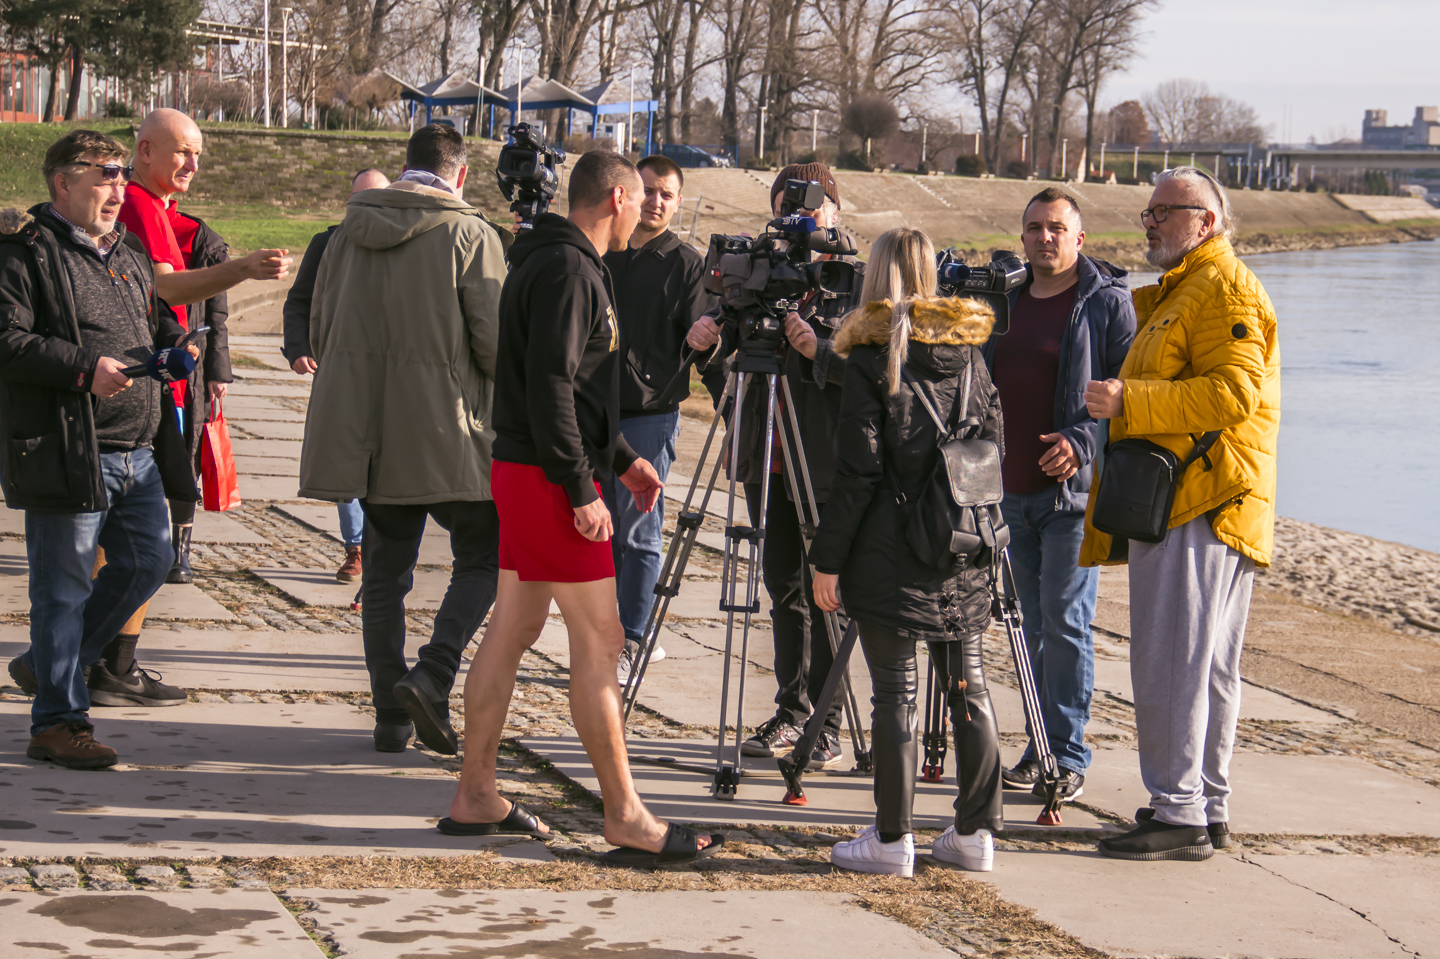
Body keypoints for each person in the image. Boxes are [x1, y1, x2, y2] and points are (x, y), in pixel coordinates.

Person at [445, 150, 723, 867]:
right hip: (546, 478)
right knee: (600, 644)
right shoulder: (570, 267)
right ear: (621, 197)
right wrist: (579, 489)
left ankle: (476, 792)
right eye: (642, 199)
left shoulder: (552, 258)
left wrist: (623, 456)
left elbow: (578, 385)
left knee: (512, 625)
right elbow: (551, 388)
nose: (646, 212)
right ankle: (627, 814)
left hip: (527, 468)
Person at [1083, 166, 1280, 862]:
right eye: (1150, 210)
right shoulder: (1187, 289)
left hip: (1199, 502)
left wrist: (1127, 399)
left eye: (1167, 211)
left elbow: (1232, 394)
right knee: (1206, 668)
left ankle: (1177, 809)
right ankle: (1204, 802)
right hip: (1202, 499)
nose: (1151, 222)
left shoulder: (1221, 287)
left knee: (1172, 661)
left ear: (1208, 220)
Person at [299, 125, 508, 755]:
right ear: (461, 174)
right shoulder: (471, 233)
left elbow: (319, 325)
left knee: (386, 573)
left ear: (403, 169)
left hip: (369, 430)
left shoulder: (345, 236)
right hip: (449, 428)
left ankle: (389, 712)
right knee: (485, 555)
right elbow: (496, 345)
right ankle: (435, 670)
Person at [810, 227, 1005, 877]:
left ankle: (893, 839)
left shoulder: (870, 354)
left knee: (896, 692)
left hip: (890, 545)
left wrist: (827, 558)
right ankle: (975, 832)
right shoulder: (971, 352)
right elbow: (990, 446)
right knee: (966, 685)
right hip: (963, 538)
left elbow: (858, 470)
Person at [0, 130, 198, 768]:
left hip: (135, 449)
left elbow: (155, 316)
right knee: (62, 591)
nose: (118, 188)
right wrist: (85, 368)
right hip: (66, 447)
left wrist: (177, 348)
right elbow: (7, 340)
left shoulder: (129, 248)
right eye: (105, 175)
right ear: (63, 181)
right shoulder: (24, 252)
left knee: (147, 562)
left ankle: (46, 664)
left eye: (120, 175)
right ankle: (58, 723)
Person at [97, 107, 289, 708]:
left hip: (155, 384)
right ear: (146, 150)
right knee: (146, 534)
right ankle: (101, 659)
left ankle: (101, 658)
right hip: (138, 388)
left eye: (199, 153)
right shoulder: (140, 206)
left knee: (138, 532)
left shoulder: (155, 206)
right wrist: (241, 269)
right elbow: (164, 287)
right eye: (182, 151)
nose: (193, 164)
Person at [686, 162, 863, 769]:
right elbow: (726, 366)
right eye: (785, 207)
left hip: (827, 461)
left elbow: (871, 378)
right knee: (782, 586)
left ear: (834, 210)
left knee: (827, 594)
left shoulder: (853, 280)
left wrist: (821, 350)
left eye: (810, 207)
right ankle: (791, 711)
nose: (796, 219)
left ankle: (828, 721)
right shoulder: (758, 271)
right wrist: (710, 344)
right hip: (768, 453)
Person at [981, 187, 1136, 803]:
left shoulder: (1105, 305)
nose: (1044, 238)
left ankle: (1066, 753)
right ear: (1022, 236)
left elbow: (1131, 397)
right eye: (1034, 228)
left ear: (1079, 238)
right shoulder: (1004, 300)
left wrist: (1082, 440)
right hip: (1004, 493)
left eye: (1056, 228)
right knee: (1028, 631)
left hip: (1069, 496)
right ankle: (1038, 745)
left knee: (1067, 624)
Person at [601, 154, 714, 679]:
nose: (655, 201)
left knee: (640, 534)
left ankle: (635, 640)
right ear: (627, 192)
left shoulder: (686, 264)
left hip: (650, 415)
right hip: (595, 413)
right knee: (601, 534)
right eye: (647, 190)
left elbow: (705, 344)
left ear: (678, 202)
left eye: (666, 194)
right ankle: (613, 632)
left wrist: (712, 355)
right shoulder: (606, 249)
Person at [283, 167, 391, 584]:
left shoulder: (408, 243)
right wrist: (299, 349)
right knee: (345, 463)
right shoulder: (327, 243)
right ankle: (358, 548)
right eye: (358, 200)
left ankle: (385, 545)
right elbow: (299, 302)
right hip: (338, 376)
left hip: (390, 376)